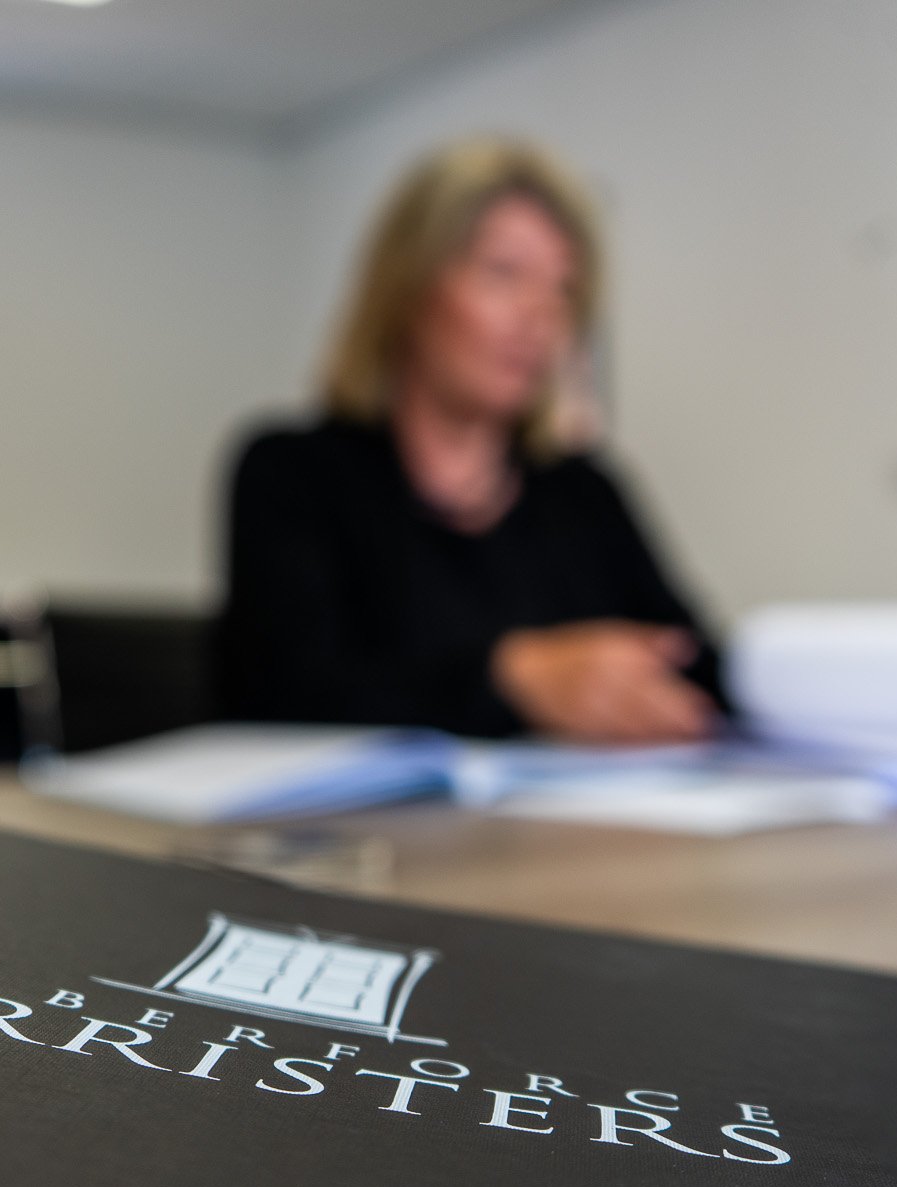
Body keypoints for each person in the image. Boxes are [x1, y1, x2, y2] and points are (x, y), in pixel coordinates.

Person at [217, 137, 725, 743]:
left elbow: (694, 663)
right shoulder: (293, 474)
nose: (540, 315)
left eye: (563, 288)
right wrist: (513, 679)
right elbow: (281, 693)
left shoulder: (583, 492)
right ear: (408, 289)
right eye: (503, 273)